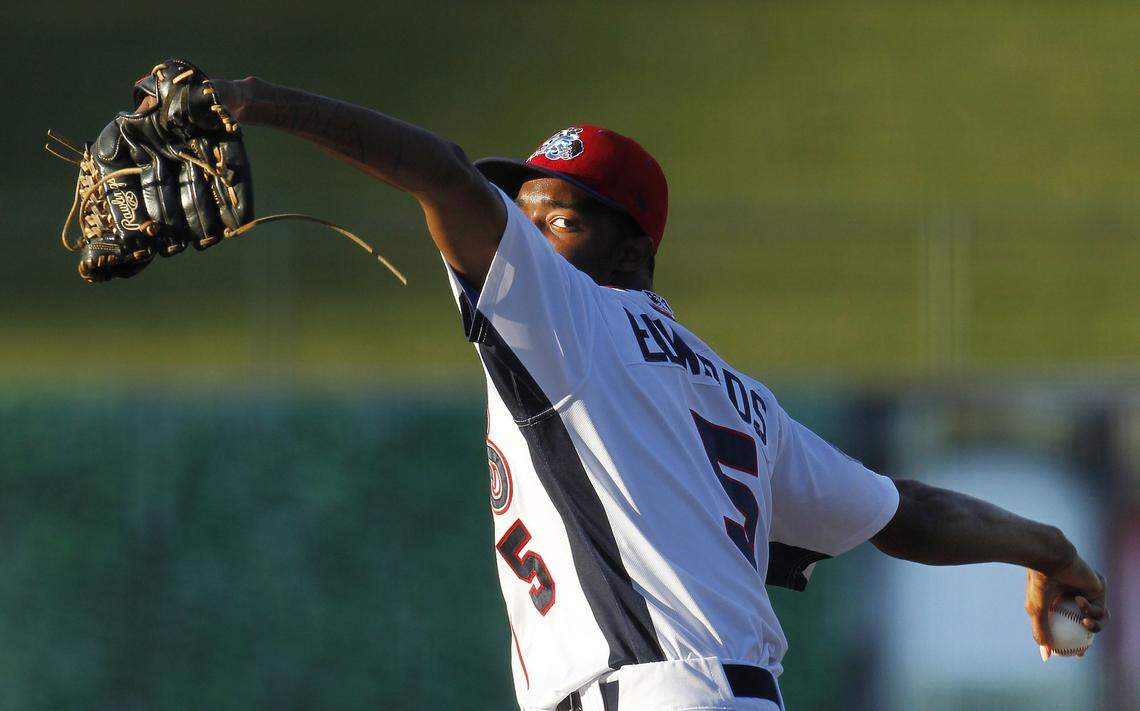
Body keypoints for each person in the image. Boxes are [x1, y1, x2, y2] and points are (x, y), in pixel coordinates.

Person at [206, 75, 1109, 711]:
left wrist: (255, 100)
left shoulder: (570, 318)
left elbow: (443, 170)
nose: (526, 239)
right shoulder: (739, 398)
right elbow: (900, 511)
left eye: (555, 220)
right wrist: (1050, 544)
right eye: (522, 218)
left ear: (629, 254)